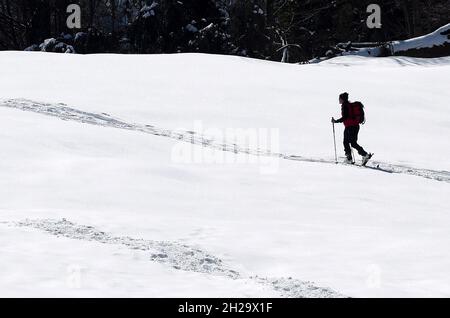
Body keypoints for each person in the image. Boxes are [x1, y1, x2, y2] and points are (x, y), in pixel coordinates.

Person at [331, 92, 372, 165]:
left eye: (339, 98)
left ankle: (355, 157)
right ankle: (361, 156)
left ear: (342, 99)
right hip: (355, 126)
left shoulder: (345, 106)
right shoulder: (349, 105)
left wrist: (336, 121)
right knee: (352, 142)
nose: (339, 100)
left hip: (350, 127)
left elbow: (345, 117)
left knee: (347, 142)